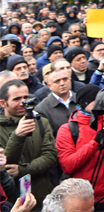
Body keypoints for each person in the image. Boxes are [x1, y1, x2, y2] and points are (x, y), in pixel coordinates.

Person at [0, 80, 57, 212]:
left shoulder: (41, 122)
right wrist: (17, 136)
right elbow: (5, 165)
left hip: (42, 195)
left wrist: (23, 170)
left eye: (26, 97)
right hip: (13, 201)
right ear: (3, 103)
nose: (23, 103)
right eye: (17, 99)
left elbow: (50, 156)